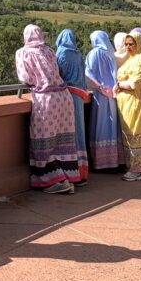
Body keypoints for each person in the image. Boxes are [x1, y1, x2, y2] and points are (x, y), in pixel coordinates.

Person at [15, 24, 82, 194]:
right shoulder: (49, 51)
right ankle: (68, 176)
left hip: (46, 99)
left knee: (44, 139)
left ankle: (54, 180)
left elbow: (25, 77)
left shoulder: (23, 53)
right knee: (62, 140)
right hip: (64, 96)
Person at [114, 32, 141, 181]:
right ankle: (133, 166)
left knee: (135, 134)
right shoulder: (131, 59)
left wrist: (120, 84)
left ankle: (137, 169)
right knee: (130, 134)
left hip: (137, 105)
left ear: (139, 44)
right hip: (128, 105)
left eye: (131, 44)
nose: (128, 47)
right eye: (126, 44)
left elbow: (135, 83)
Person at [55, 29, 89, 185]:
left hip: (66, 96)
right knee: (79, 132)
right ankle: (81, 172)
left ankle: (70, 173)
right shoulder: (77, 54)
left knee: (68, 134)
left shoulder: (61, 53)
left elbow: (57, 76)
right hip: (79, 96)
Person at [84, 30, 121, 170]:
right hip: (113, 94)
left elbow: (88, 74)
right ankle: (114, 161)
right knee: (112, 126)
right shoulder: (111, 52)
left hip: (100, 95)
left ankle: (102, 163)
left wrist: (98, 85)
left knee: (100, 126)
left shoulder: (94, 53)